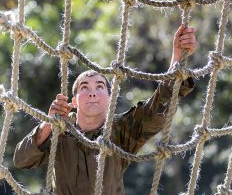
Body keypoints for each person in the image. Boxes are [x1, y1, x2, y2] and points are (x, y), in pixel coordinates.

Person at [13, 24, 197, 195]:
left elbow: (157, 109)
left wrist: (178, 60)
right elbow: (21, 160)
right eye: (84, 87)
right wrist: (49, 123)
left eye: (99, 87)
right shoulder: (59, 132)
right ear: (74, 101)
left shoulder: (121, 130)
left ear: (110, 99)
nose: (92, 92)